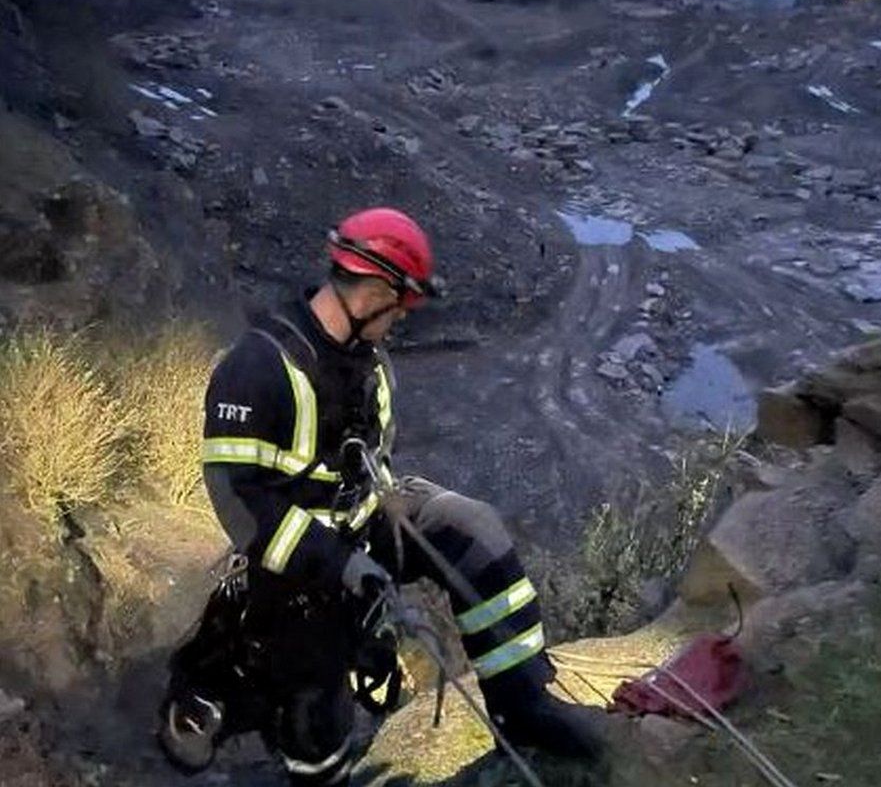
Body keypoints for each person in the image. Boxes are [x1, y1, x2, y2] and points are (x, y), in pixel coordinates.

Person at [159, 207, 601, 785]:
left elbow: (370, 463)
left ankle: (522, 704)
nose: (402, 320)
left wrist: (384, 516)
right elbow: (241, 503)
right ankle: (282, 743)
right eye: (403, 305)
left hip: (359, 529)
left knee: (472, 532)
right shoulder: (258, 369)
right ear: (375, 292)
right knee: (315, 711)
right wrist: (339, 564)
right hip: (290, 569)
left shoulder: (369, 365)